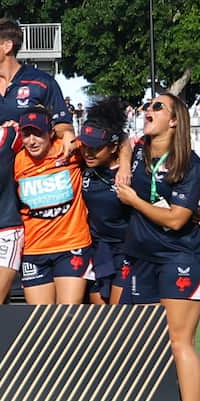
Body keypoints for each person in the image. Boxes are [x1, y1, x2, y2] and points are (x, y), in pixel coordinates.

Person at [114, 92, 200, 401]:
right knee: (145, 342)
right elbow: (123, 141)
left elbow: (176, 219)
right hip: (141, 257)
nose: (148, 110)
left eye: (157, 107)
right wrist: (125, 162)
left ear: (174, 120)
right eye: (148, 105)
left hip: (180, 257)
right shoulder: (138, 149)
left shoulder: (190, 164)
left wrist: (134, 200)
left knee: (179, 341)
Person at [14, 108, 92, 305]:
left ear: (50, 133)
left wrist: (124, 167)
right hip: (34, 249)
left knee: (68, 313)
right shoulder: (17, 161)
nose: (32, 141)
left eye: (38, 134)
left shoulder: (70, 149)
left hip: (71, 244)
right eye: (26, 135)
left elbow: (120, 141)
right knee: (40, 316)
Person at [0, 18, 74, 146]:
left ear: (7, 46)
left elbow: (64, 126)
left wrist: (23, 130)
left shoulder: (42, 82)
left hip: (30, 157)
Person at [79, 97, 132, 305]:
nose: (88, 153)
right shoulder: (83, 164)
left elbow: (125, 138)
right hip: (97, 249)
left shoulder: (131, 172)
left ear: (113, 147)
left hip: (125, 250)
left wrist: (125, 164)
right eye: (85, 146)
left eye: (96, 147)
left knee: (119, 315)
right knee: (100, 317)